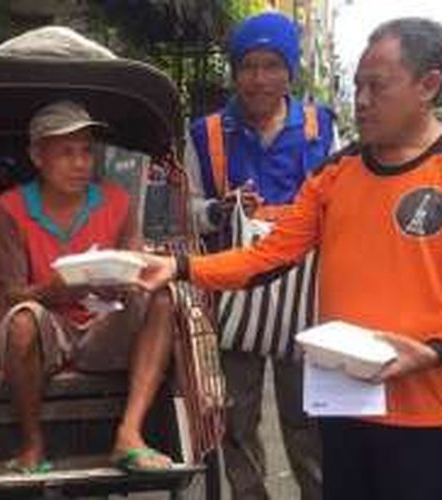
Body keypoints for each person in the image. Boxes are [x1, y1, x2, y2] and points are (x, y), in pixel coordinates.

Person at [139, 17, 442, 500]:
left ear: (428, 86)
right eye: (358, 86)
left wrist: (432, 352)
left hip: (429, 417)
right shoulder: (336, 174)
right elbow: (270, 256)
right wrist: (181, 268)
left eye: (377, 87)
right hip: (348, 405)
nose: (361, 101)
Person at [186, 11, 335, 500]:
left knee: (306, 417)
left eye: (272, 65)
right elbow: (186, 211)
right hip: (234, 297)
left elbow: (343, 202)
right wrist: (217, 208)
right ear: (234, 70)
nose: (259, 78)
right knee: (235, 417)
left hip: (305, 299)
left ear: (289, 70)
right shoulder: (206, 133)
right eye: (248, 65)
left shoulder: (320, 127)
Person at [0, 100, 175, 473]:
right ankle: (32, 444)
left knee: (163, 298)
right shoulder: (10, 209)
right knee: (22, 321)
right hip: (49, 329)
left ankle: (130, 435)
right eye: (66, 153)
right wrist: (51, 291)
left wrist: (122, 282)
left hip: (106, 325)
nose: (80, 163)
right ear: (38, 156)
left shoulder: (118, 202)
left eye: (87, 151)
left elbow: (138, 273)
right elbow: (11, 295)